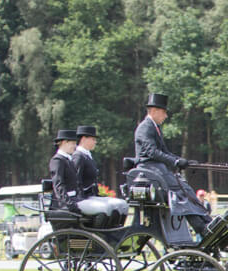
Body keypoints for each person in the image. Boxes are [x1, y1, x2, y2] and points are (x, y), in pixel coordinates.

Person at [134, 92, 213, 236]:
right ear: (154, 111)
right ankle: (200, 226)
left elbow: (165, 152)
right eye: (164, 112)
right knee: (181, 191)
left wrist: (184, 162)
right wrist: (175, 162)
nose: (166, 116)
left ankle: (207, 221)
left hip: (159, 170)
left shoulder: (155, 128)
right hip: (150, 171)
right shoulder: (145, 127)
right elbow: (152, 152)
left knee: (186, 188)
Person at [72, 125, 129, 221]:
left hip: (92, 195)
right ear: (84, 139)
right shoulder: (78, 156)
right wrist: (81, 198)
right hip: (84, 197)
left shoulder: (87, 155)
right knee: (108, 208)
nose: (95, 142)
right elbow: (76, 180)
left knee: (121, 204)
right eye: (93, 139)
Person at [48, 129, 81, 213]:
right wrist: (69, 204)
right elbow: (58, 185)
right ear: (64, 142)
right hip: (63, 204)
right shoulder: (57, 160)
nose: (75, 146)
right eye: (73, 143)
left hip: (75, 200)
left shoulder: (68, 160)